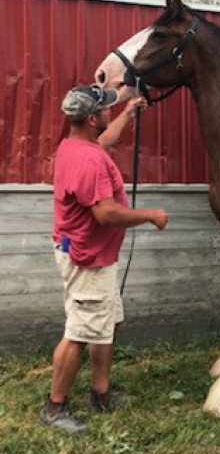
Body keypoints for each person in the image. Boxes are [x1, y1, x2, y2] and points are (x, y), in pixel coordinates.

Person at [38, 84, 168, 434]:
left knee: (107, 322)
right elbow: (106, 214)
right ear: (92, 118)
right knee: (79, 331)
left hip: (91, 253)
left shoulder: (75, 146)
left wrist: (127, 113)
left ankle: (101, 393)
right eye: (108, 108)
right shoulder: (90, 160)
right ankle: (53, 407)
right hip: (87, 258)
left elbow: (102, 142)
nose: (112, 110)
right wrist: (150, 214)